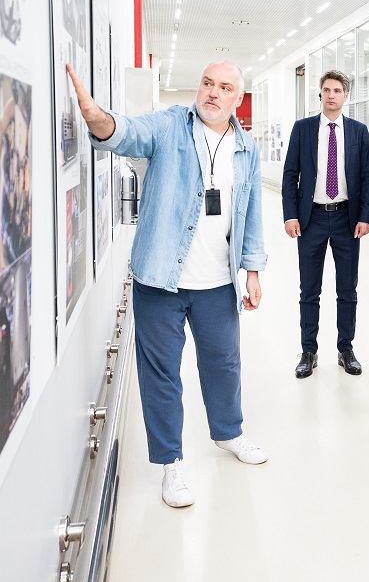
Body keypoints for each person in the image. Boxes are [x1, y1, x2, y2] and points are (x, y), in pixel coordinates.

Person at [67, 60, 268, 508]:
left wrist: (252, 270)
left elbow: (251, 212)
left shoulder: (246, 149)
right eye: (208, 83)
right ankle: (170, 463)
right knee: (161, 374)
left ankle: (228, 432)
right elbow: (126, 133)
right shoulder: (170, 126)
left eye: (225, 87)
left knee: (224, 364)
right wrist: (96, 116)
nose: (213, 92)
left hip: (218, 283)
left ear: (238, 99)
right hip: (160, 279)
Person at [282, 70, 369, 377]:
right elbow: (290, 174)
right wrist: (290, 214)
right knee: (309, 289)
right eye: (327, 90)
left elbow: (368, 176)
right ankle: (308, 351)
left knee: (347, 289)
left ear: (346, 96)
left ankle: (345, 349)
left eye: (337, 90)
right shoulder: (303, 129)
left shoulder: (359, 131)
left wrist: (365, 217)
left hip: (347, 219)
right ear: (320, 93)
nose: (331, 95)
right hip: (312, 219)